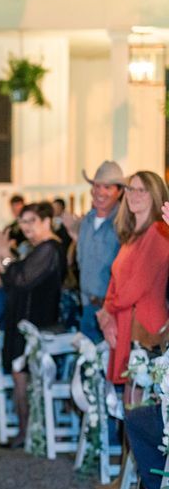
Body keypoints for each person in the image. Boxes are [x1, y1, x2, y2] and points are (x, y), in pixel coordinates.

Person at [0, 203, 67, 446]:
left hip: (36, 320)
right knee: (19, 374)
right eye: (22, 222)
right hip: (23, 318)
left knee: (24, 375)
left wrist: (5, 254)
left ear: (46, 221)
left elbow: (21, 278)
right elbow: (13, 279)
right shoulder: (37, 249)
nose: (26, 228)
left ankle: (28, 431)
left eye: (31, 221)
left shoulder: (49, 249)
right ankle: (26, 430)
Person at [97, 171, 169, 394]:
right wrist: (106, 313)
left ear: (155, 195)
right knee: (128, 404)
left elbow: (136, 287)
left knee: (137, 404)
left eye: (142, 190)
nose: (133, 195)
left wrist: (106, 311)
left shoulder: (158, 232)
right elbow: (115, 282)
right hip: (124, 317)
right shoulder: (132, 235)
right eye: (130, 189)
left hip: (144, 325)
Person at [74, 161, 125, 344]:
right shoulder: (87, 220)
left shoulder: (123, 224)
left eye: (107, 187)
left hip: (111, 311)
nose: (99, 192)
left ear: (119, 191)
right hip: (87, 307)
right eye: (96, 186)